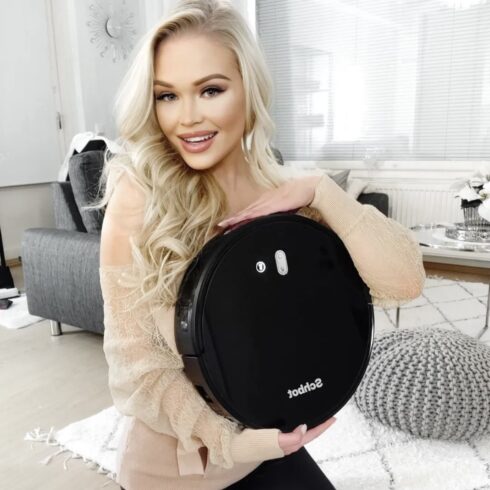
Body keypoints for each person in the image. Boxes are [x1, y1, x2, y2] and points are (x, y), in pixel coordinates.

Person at [90, 0, 426, 488]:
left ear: (249, 90)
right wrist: (238, 444)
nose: (187, 118)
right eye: (167, 96)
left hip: (266, 443)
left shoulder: (285, 195)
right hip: (179, 468)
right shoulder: (140, 194)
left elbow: (406, 280)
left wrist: (324, 192)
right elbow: (136, 370)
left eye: (210, 90)